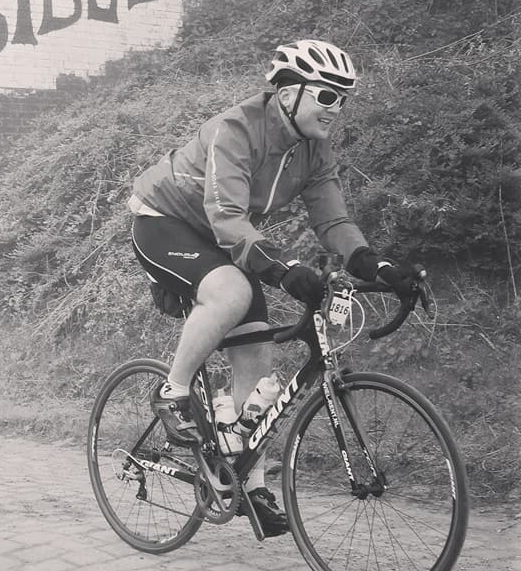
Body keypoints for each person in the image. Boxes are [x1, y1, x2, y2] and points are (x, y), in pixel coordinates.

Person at [128, 38, 419, 537]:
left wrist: (379, 266)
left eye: (343, 99)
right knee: (232, 294)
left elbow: (334, 222)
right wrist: (284, 269)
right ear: (288, 94)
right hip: (165, 220)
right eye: (327, 95)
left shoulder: (314, 150)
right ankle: (172, 392)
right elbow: (228, 218)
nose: (337, 108)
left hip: (221, 234)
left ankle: (251, 485)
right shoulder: (236, 130)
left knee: (258, 350)